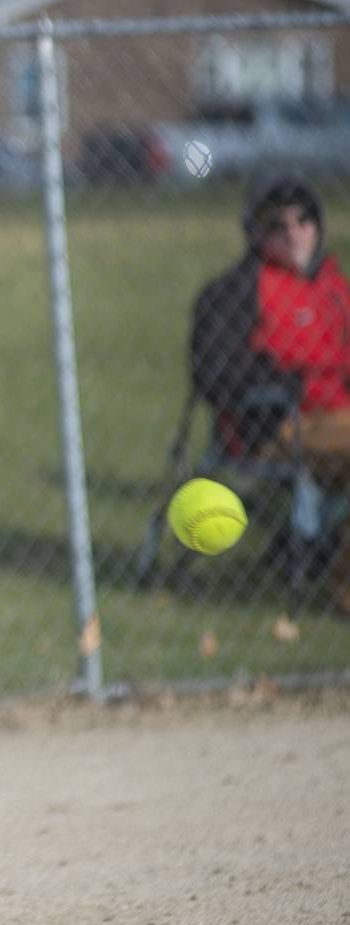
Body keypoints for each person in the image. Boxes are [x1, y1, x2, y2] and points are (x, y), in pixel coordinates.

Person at [191, 172, 350, 606]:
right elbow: (215, 373)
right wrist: (285, 383)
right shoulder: (238, 290)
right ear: (257, 232)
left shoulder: (332, 289)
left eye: (304, 222)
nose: (294, 234)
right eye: (278, 225)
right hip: (275, 427)